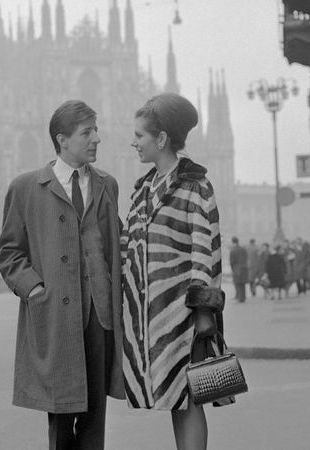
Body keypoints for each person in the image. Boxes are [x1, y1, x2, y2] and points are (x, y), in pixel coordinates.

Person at [0, 100, 124, 450]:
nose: (97, 138)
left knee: (95, 416)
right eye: (87, 133)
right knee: (61, 416)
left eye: (96, 130)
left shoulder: (107, 185)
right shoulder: (25, 188)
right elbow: (8, 252)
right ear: (62, 139)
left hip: (100, 316)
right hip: (55, 316)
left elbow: (116, 242)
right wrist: (33, 288)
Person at [122, 93, 225, 450]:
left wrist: (203, 313)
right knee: (175, 401)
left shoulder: (195, 186)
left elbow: (205, 254)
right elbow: (129, 255)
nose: (133, 142)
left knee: (191, 398)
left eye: (140, 135)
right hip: (153, 320)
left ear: (162, 139)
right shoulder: (142, 193)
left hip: (185, 316)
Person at [229, 236, 248, 303]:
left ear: (232, 242)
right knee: (242, 284)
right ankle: (243, 297)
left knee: (237, 283)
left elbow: (232, 261)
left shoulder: (233, 250)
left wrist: (232, 269)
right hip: (244, 268)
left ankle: (239, 298)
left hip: (236, 268)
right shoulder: (243, 249)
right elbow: (246, 258)